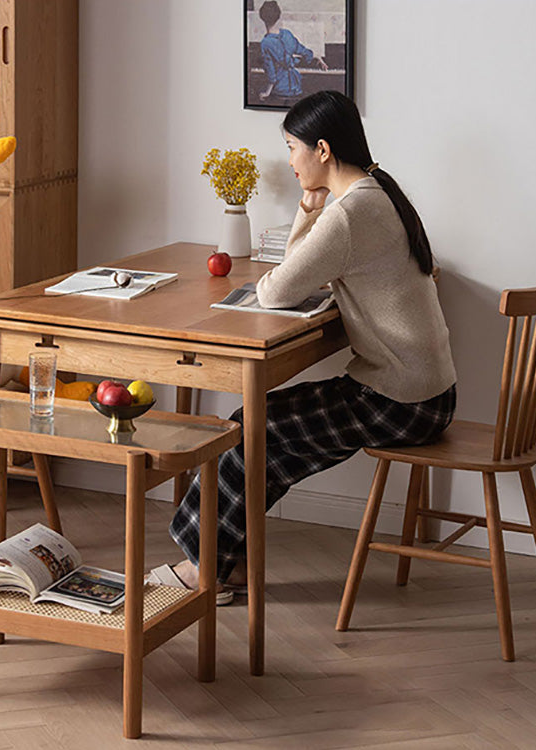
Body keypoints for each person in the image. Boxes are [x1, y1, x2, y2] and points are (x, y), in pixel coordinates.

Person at [170, 90, 457, 603]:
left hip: (397, 402)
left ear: (321, 150)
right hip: (427, 394)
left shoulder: (351, 214)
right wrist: (308, 206)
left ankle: (202, 571)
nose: (289, 160)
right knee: (268, 443)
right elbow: (301, 267)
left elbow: (276, 288)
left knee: (246, 427)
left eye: (291, 146)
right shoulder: (375, 193)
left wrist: (311, 214)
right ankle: (224, 566)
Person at [257, 1, 328, 102]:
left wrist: (267, 93)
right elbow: (302, 50)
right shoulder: (287, 34)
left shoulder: (265, 43)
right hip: (296, 85)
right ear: (278, 16)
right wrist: (317, 57)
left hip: (280, 88)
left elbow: (271, 73)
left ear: (262, 17)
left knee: (259, 92)